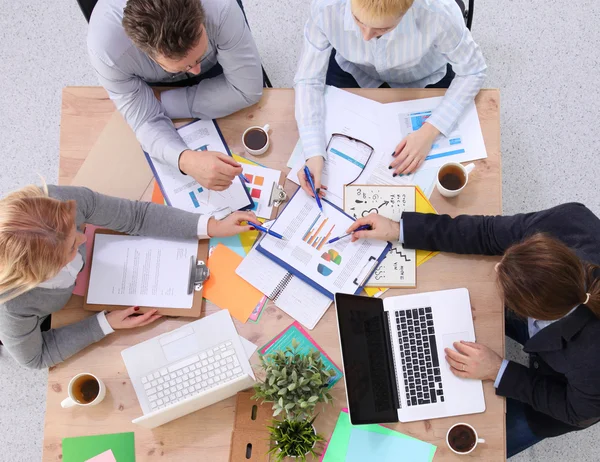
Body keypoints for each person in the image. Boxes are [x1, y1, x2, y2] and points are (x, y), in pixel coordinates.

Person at [346, 203, 600, 457]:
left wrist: (498, 370)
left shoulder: (591, 360)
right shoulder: (569, 222)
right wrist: (398, 229)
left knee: (461, 450)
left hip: (566, 398)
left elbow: (575, 411)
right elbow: (487, 232)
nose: (496, 268)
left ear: (537, 312)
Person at [0, 184, 257, 370]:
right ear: (42, 275)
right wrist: (104, 325)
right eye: (71, 247)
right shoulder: (14, 304)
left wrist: (209, 226)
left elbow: (136, 216)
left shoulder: (58, 202)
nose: (83, 237)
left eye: (75, 228)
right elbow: (35, 358)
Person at [294, 0, 487, 197]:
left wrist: (429, 131)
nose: (366, 37)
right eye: (357, 20)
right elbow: (308, 80)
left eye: (383, 28)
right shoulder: (326, 6)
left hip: (421, 75)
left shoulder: (438, 11)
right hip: (354, 68)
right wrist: (313, 150)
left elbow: (474, 71)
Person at [87, 0, 263, 191]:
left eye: (199, 56)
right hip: (155, 83)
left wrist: (163, 102)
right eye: (186, 65)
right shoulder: (107, 51)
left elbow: (247, 90)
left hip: (215, 61)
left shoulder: (221, 7)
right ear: (148, 53)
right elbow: (144, 122)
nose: (196, 70)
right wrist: (185, 160)